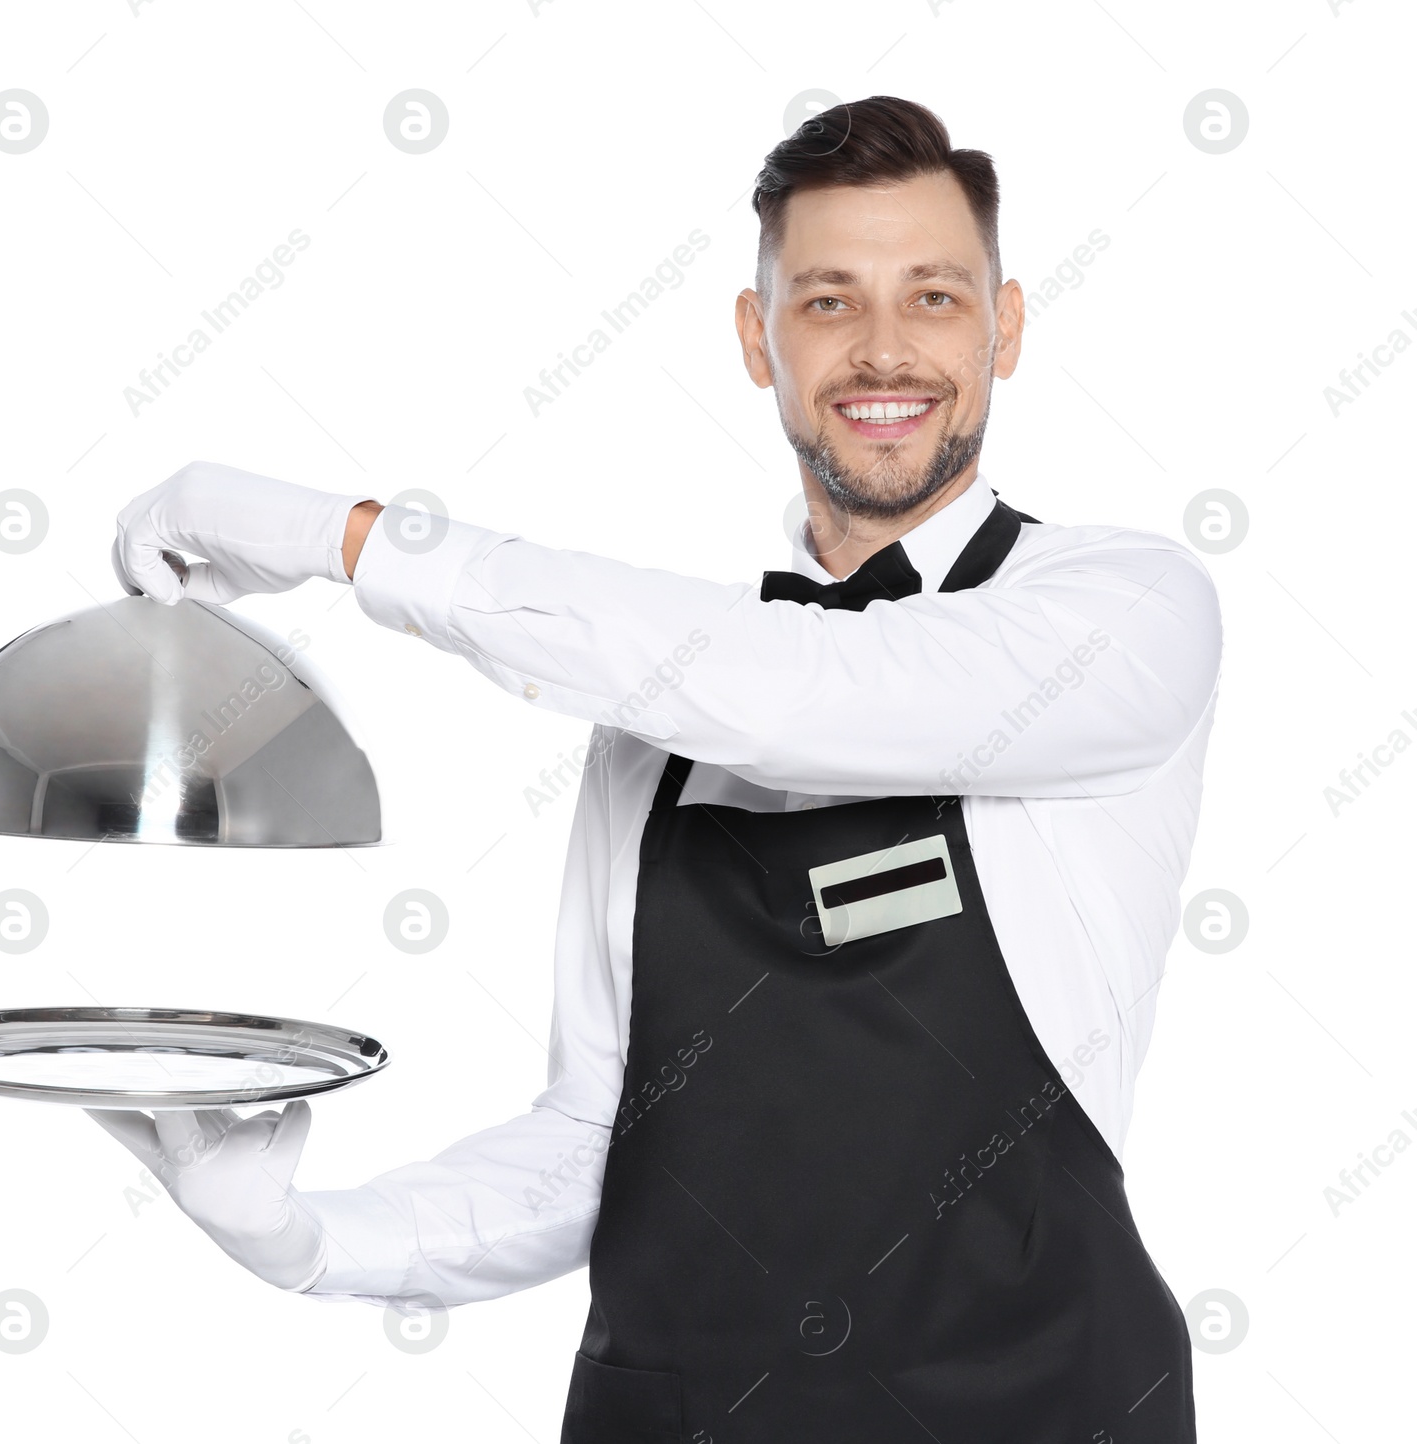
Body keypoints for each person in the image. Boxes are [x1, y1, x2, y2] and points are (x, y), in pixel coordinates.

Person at [94, 95, 1219, 1441]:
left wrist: (353, 542)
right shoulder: (659, 713)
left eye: (934, 296)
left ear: (1007, 326)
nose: (883, 349)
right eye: (825, 301)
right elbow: (600, 1138)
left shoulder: (1121, 613)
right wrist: (309, 1240)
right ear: (759, 341)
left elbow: (812, 694)